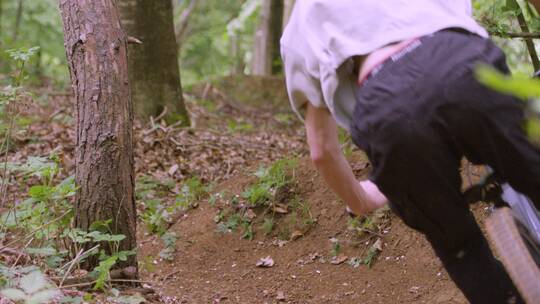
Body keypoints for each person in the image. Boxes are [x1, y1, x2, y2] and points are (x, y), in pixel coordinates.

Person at [281, 1, 540, 303]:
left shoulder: (303, 18)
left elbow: (321, 150)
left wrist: (361, 199)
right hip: (462, 61)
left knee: (460, 246)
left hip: (390, 111)